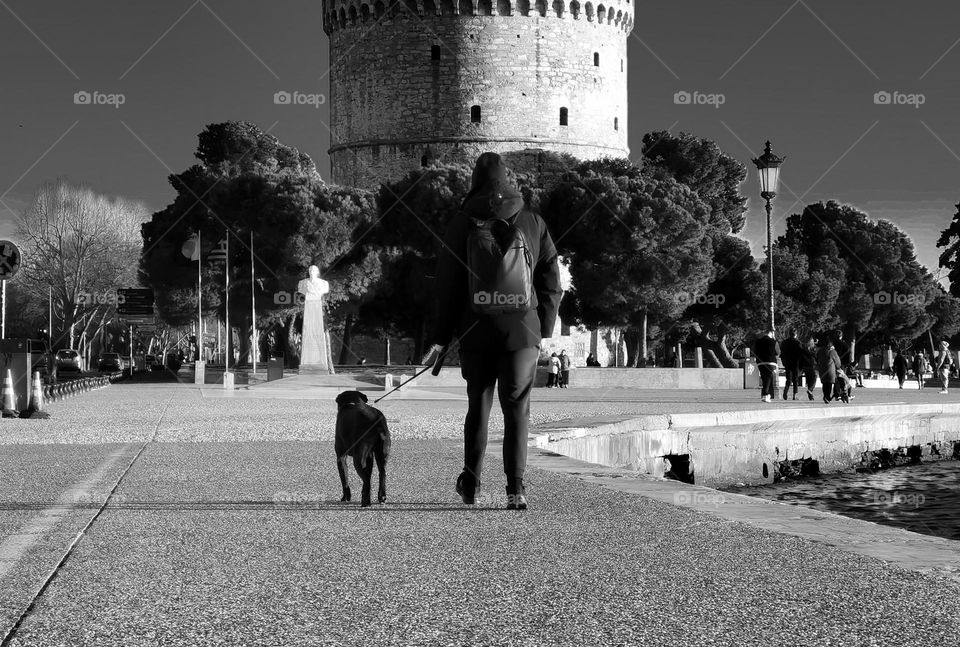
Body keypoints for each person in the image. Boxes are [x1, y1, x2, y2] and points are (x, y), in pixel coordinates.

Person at [426, 152, 562, 511]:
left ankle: (470, 483)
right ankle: (515, 490)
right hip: (522, 332)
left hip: (476, 330)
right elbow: (551, 279)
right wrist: (542, 327)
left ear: (475, 182)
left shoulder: (461, 222)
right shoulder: (532, 220)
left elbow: (447, 286)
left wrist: (440, 337)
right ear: (509, 180)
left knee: (479, 406)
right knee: (517, 409)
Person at [753, 330, 780, 403]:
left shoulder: (757, 341)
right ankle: (766, 394)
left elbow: (754, 351)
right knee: (768, 377)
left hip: (760, 362)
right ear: (770, 333)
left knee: (764, 377)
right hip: (770, 362)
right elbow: (778, 352)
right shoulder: (773, 341)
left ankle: (767, 394)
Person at [816, 339, 843, 404]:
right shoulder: (832, 351)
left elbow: (817, 359)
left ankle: (826, 396)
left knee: (825, 384)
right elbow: (837, 362)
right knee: (830, 383)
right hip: (830, 370)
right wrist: (838, 367)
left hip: (822, 370)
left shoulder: (820, 351)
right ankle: (828, 397)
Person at [780, 328, 802, 400]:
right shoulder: (798, 343)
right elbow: (800, 354)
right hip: (795, 363)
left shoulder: (784, 342)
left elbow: (782, 353)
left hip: (787, 362)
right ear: (795, 334)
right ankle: (795, 394)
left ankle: (785, 392)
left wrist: (783, 361)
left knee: (788, 379)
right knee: (795, 379)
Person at [799, 336, 818, 401]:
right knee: (814, 377)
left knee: (809, 379)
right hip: (811, 365)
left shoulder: (803, 348)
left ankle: (810, 394)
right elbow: (815, 356)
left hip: (805, 366)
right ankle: (810, 390)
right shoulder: (811, 349)